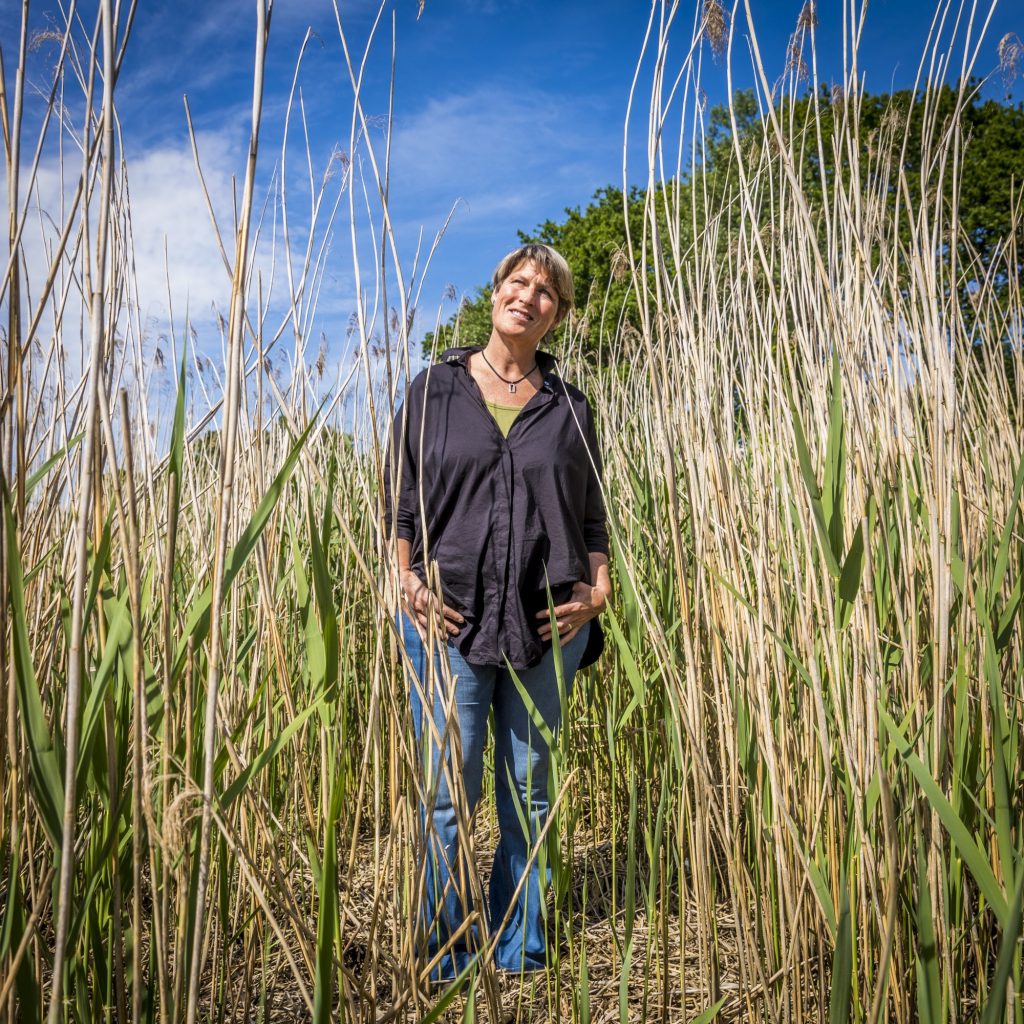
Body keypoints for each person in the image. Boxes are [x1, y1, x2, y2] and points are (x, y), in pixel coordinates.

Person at [385, 243, 611, 984]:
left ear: (557, 316)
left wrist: (598, 590)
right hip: (447, 621)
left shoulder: (572, 408)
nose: (529, 295)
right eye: (519, 281)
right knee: (449, 795)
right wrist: (407, 585)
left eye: (546, 292)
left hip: (549, 626)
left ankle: (521, 950)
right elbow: (401, 508)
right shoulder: (432, 391)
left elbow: (591, 519)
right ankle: (446, 955)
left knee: (531, 794)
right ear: (495, 292)